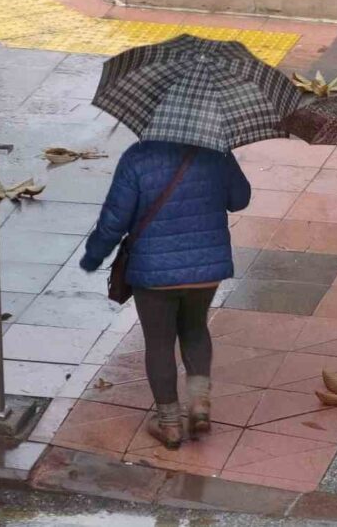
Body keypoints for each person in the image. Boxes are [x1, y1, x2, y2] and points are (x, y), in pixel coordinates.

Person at [80, 140, 251, 449]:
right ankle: (199, 402)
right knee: (195, 329)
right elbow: (240, 199)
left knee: (159, 342)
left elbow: (114, 220)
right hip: (205, 268)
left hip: (153, 271)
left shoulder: (137, 157)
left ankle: (169, 423)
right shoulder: (216, 152)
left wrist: (94, 256)